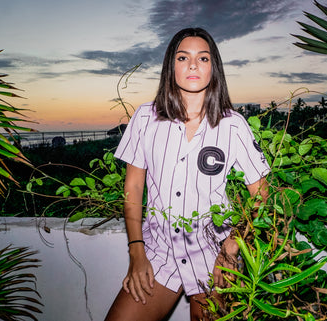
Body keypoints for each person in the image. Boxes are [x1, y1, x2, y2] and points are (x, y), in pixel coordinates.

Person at [105, 27, 270, 321]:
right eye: (183, 57)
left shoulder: (233, 125)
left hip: (215, 256)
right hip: (158, 252)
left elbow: (263, 195)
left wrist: (233, 245)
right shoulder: (146, 117)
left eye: (203, 58)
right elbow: (133, 189)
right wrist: (136, 252)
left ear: (213, 69)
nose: (193, 65)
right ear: (172, 66)